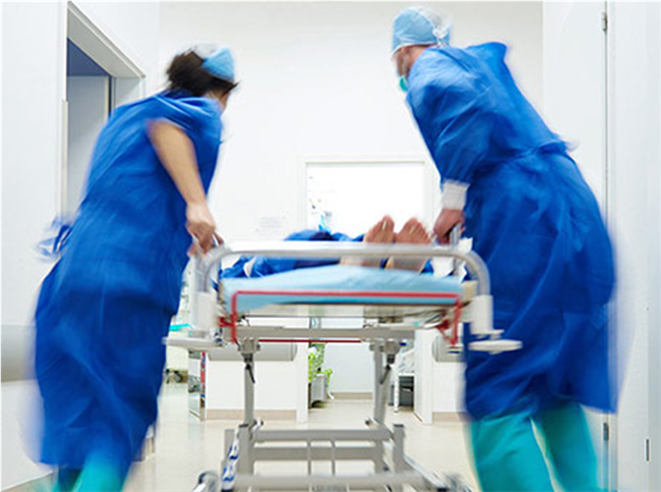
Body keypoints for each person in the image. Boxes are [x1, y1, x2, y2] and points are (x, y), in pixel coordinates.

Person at [391, 7, 615, 492]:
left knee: (498, 378)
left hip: (526, 220)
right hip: (570, 212)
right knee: (551, 379)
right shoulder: (481, 68)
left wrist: (452, 199)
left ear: (403, 51)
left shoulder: (430, 65)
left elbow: (466, 106)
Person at [34, 46, 237, 492]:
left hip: (74, 275)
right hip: (129, 282)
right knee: (118, 422)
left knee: (80, 422)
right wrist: (197, 203)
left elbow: (133, 190)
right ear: (220, 92)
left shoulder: (122, 117)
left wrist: (190, 223)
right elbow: (167, 129)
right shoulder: (199, 110)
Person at [221, 216, 434, 279]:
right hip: (325, 244)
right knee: (338, 247)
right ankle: (389, 265)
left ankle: (356, 261)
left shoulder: (236, 266)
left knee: (272, 263)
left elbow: (224, 284)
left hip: (300, 254)